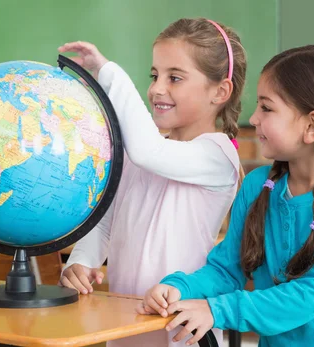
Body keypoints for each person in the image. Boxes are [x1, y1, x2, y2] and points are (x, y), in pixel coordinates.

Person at [143, 44, 314, 346]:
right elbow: (227, 268)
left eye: (267, 108)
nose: (254, 118)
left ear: (312, 125)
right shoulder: (259, 186)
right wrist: (180, 288)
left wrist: (215, 310)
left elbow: (311, 295)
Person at [58, 18, 246, 346]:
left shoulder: (218, 157)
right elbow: (106, 224)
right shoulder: (141, 154)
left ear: (220, 91)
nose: (157, 88)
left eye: (175, 77)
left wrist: (109, 73)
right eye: (155, 75)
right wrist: (81, 262)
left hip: (181, 331)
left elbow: (149, 150)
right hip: (126, 326)